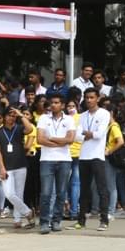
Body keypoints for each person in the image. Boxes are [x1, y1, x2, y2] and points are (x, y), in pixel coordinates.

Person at [36, 93, 75, 234]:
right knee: (46, 193)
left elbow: (70, 139)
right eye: (52, 102)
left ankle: (56, 221)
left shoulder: (69, 119)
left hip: (64, 160)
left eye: (57, 102)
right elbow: (40, 139)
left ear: (62, 105)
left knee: (61, 193)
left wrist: (51, 138)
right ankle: (44, 222)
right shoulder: (43, 118)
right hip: (47, 159)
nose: (53, 105)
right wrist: (60, 142)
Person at [74, 87, 111, 230]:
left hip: (97, 156)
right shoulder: (82, 115)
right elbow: (77, 136)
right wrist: (89, 134)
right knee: (84, 189)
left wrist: (87, 134)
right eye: (87, 97)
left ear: (97, 98)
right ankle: (81, 220)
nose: (89, 100)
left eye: (92, 97)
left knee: (102, 189)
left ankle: (104, 220)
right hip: (84, 156)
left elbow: (99, 134)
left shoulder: (104, 113)